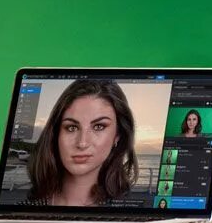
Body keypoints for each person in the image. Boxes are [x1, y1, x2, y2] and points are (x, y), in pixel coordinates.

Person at [27, 78, 138, 207]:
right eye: (71, 128)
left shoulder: (131, 213)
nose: (82, 143)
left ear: (117, 136)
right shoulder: (24, 210)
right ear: (56, 134)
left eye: (99, 127)